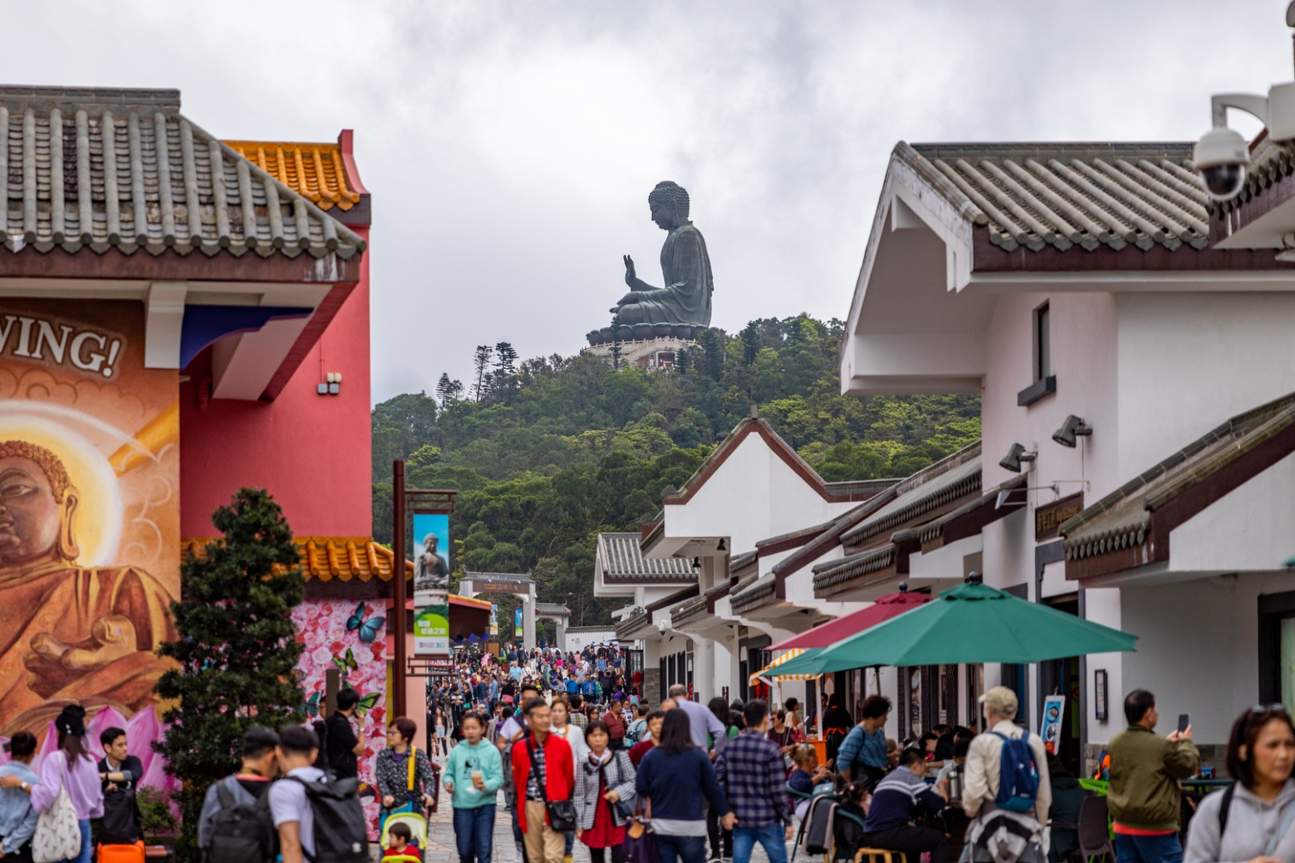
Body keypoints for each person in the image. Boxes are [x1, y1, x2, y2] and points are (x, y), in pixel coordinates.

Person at [0, 442, 177, 736]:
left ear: (66, 506)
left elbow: (180, 691)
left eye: (15, 490)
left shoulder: (119, 588)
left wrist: (113, 675)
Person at [1185, 704, 1295, 862]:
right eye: (1273, 745)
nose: (1283, 754)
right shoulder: (1215, 809)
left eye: (1289, 744)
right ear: (1244, 751)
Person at [1106, 689, 1200, 862]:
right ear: (1148, 713)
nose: (1157, 713)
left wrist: (1166, 743)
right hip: (1156, 829)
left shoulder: (1115, 742)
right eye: (1155, 709)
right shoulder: (1160, 746)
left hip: (1123, 826)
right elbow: (1187, 767)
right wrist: (1186, 742)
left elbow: (1144, 758)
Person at [636, 709, 736, 863]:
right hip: (691, 825)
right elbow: (713, 788)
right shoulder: (698, 756)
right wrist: (725, 813)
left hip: (662, 825)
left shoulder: (651, 756)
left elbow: (641, 786)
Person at [962, 687, 1051, 859]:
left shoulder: (981, 743)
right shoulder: (1034, 741)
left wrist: (971, 810)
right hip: (1026, 826)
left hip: (990, 826)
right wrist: (1038, 824)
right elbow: (1043, 794)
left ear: (989, 710)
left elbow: (974, 792)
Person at [19, 705, 103, 863]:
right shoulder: (90, 761)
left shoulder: (55, 759)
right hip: (84, 824)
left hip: (60, 824)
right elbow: (96, 796)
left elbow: (48, 794)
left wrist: (22, 785)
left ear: (60, 732)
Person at [715, 700, 793, 863]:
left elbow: (718, 781)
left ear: (744, 720)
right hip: (768, 818)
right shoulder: (771, 749)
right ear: (766, 719)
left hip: (741, 818)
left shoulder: (730, 748)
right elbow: (778, 789)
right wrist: (787, 820)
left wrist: (725, 810)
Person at [197, 726, 279, 855]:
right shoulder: (278, 793)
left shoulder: (217, 790)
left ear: (243, 756)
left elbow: (204, 840)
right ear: (270, 756)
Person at [512, 697, 575, 863]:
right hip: (530, 807)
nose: (546, 719)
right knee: (535, 857)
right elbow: (518, 782)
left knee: (553, 857)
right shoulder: (519, 748)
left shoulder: (562, 746)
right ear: (529, 720)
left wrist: (560, 798)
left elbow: (569, 779)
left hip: (555, 806)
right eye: (540, 716)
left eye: (548, 715)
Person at [862, 747, 950, 863]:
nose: (925, 771)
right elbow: (938, 804)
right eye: (924, 766)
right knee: (940, 839)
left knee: (914, 838)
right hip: (889, 833)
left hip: (870, 835)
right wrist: (942, 787)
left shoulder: (888, 778)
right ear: (916, 765)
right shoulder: (911, 779)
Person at [444, 711, 504, 863]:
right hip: (462, 806)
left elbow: (498, 778)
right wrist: (448, 782)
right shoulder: (457, 751)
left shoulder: (491, 751)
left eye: (474, 727)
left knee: (484, 850)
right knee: (464, 850)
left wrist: (485, 785)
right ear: (462, 730)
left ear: (483, 729)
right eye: (467, 728)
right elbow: (449, 773)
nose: (470, 731)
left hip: (485, 806)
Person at [573, 719, 636, 863]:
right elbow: (579, 794)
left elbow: (633, 781)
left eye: (601, 735)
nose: (598, 739)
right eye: (593, 736)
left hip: (617, 816)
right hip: (594, 818)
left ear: (608, 737)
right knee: (596, 858)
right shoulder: (583, 762)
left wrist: (618, 792)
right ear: (587, 738)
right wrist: (578, 823)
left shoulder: (621, 757)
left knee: (620, 857)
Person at [268, 726, 327, 863]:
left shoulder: (284, 788)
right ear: (314, 753)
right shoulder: (330, 782)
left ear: (278, 751)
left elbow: (290, 846)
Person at [375, 718, 437, 818]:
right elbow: (381, 778)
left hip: (412, 807)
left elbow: (428, 778)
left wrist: (428, 794)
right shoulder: (384, 755)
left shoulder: (417, 754)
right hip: (389, 808)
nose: (389, 735)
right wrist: (386, 794)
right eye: (388, 732)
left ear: (405, 737)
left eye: (393, 733)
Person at [96, 725, 143, 844]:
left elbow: (133, 774)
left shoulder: (132, 761)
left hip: (131, 825)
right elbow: (93, 799)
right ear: (107, 747)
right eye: (120, 745)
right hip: (107, 827)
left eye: (126, 744)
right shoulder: (98, 768)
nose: (125, 748)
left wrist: (105, 776)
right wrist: (105, 792)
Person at [836, 695, 891, 787]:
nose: (886, 718)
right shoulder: (858, 734)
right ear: (873, 716)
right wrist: (851, 785)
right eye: (884, 715)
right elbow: (843, 760)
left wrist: (891, 757)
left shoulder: (879, 733)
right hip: (864, 784)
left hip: (879, 779)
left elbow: (878, 756)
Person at [0, 731, 38, 863]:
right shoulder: (36, 782)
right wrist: (6, 847)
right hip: (20, 847)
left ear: (11, 751)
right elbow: (31, 822)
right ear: (32, 754)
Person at [668, 684, 728, 753]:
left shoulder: (667, 710)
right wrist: (715, 751)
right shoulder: (702, 708)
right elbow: (721, 731)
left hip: (674, 755)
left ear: (670, 698)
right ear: (687, 695)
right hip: (700, 754)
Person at [324, 689, 365, 780]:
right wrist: (361, 728)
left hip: (330, 774)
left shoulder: (329, 721)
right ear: (353, 705)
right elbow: (359, 750)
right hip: (342, 777)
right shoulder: (341, 725)